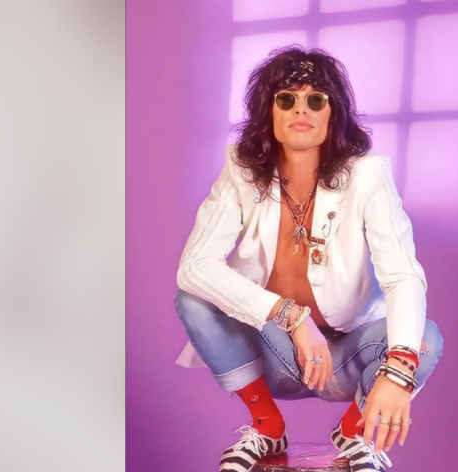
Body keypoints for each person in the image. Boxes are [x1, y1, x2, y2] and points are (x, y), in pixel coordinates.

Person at [174, 45, 443, 472]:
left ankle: (354, 435)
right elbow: (194, 266)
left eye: (316, 99)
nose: (302, 109)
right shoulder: (241, 170)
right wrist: (289, 316)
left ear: (332, 113)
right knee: (193, 297)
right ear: (270, 112)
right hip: (276, 352)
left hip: (348, 356)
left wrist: (399, 372)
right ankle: (267, 427)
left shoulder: (366, 174)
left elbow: (404, 277)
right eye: (287, 99)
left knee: (422, 338)